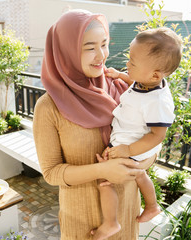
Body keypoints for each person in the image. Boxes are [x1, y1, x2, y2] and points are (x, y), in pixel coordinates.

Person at [33, 9, 156, 240]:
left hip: (128, 212)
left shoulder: (124, 89)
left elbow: (153, 145)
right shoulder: (49, 107)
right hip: (82, 219)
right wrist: (102, 170)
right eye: (90, 47)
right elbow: (51, 173)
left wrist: (136, 163)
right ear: (65, 51)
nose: (101, 55)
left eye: (104, 44)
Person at [93, 27, 182, 239]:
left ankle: (110, 223)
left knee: (103, 177)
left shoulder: (158, 102)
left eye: (133, 62)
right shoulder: (148, 82)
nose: (128, 64)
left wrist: (127, 150)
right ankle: (152, 205)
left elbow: (157, 135)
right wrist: (121, 76)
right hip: (130, 141)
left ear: (155, 74)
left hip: (135, 144)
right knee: (139, 174)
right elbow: (137, 84)